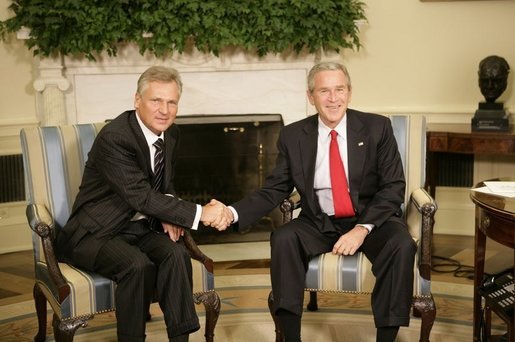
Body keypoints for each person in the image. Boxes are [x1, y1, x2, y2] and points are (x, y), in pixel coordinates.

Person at [224, 62, 417, 342]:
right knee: (284, 239)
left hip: (370, 217)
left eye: (339, 89)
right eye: (324, 91)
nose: (333, 98)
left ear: (350, 93)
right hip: (318, 221)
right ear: (310, 96)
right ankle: (291, 337)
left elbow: (393, 187)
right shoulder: (293, 135)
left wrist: (362, 228)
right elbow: (274, 189)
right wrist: (232, 213)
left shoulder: (377, 128)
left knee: (401, 244)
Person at [55, 66, 230, 342]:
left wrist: (171, 211)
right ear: (137, 100)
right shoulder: (115, 137)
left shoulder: (171, 134)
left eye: (172, 102)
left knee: (177, 255)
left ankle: (180, 338)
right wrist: (200, 213)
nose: (164, 110)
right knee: (136, 265)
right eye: (156, 100)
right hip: (94, 232)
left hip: (137, 228)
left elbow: (164, 185)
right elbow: (141, 196)